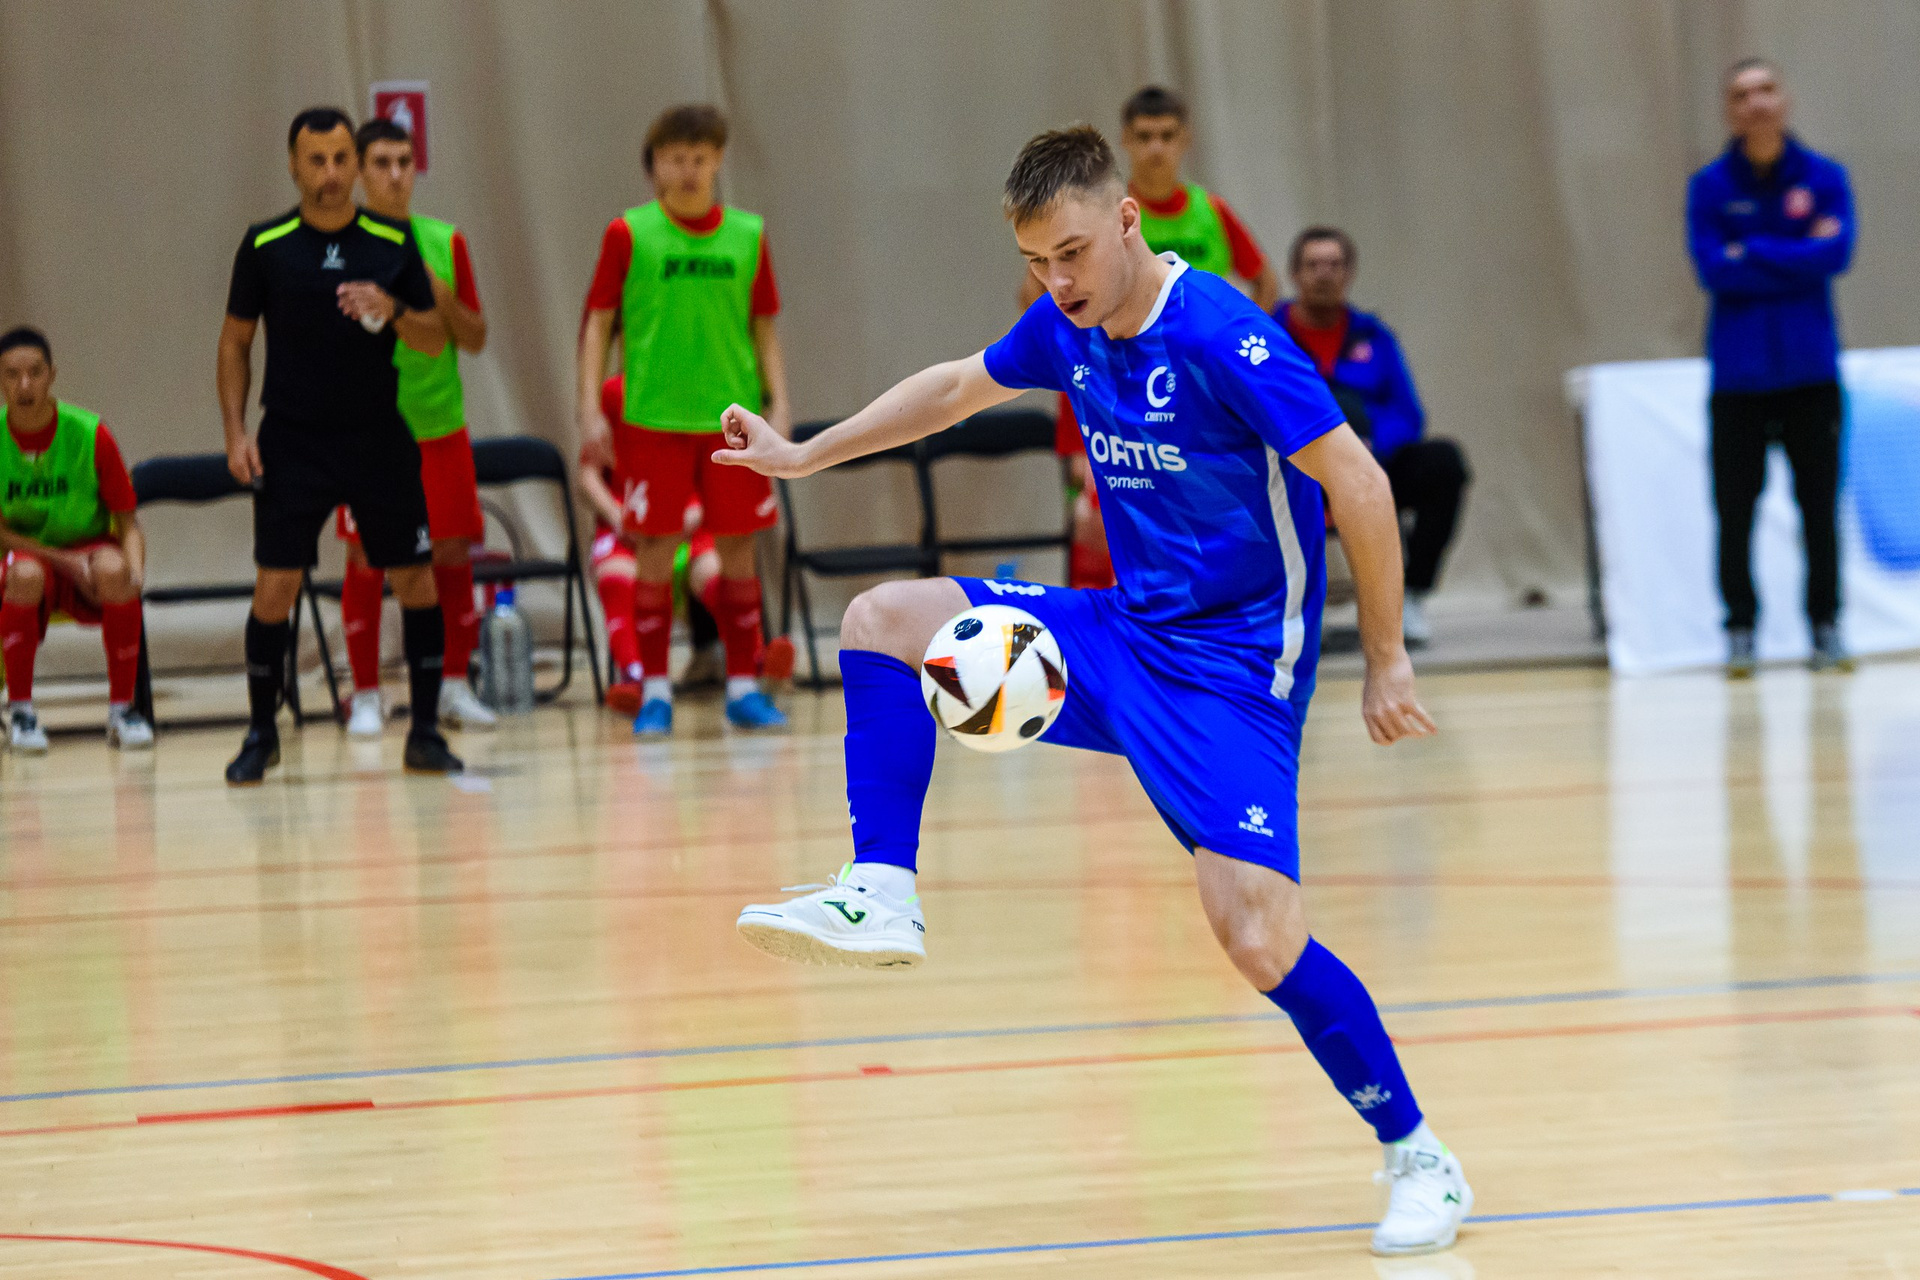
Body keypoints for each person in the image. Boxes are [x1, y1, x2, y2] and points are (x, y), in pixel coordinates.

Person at [719, 126, 1470, 1257]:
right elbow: (954, 388)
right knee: (880, 621)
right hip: (1121, 630)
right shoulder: (1066, 323)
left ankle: (1419, 1155)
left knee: (1258, 935)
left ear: (1127, 221)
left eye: (1071, 254)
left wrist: (1387, 654)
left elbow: (1358, 483)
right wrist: (801, 455)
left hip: (1232, 670)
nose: (1058, 282)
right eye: (1037, 262)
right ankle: (882, 887)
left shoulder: (1222, 335)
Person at [217, 106, 462, 784]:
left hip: (377, 437)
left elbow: (434, 338)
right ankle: (261, 733)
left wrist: (394, 310)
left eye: (340, 160)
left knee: (415, 578)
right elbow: (235, 342)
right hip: (292, 441)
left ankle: (425, 732)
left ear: (355, 166)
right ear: (293, 166)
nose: (329, 174)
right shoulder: (266, 244)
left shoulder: (391, 240)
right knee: (276, 585)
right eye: (316, 161)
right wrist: (235, 433)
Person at [576, 103, 792, 737]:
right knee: (654, 550)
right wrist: (589, 408)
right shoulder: (629, 233)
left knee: (738, 549)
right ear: (655, 165)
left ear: (719, 160)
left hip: (731, 420)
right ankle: (654, 692)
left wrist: (780, 402)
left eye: (701, 157)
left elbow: (764, 327)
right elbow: (598, 325)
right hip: (652, 419)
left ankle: (744, 687)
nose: (690, 169)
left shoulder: (748, 234)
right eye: (677, 158)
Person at [1038, 85, 1281, 592]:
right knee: (1096, 521)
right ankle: (1098, 626)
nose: (1156, 148)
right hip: (1109, 385)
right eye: (1145, 136)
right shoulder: (1098, 212)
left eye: (1167, 136)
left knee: (1194, 516)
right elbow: (1034, 294)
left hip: (1190, 390)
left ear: (1185, 139)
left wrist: (1235, 354)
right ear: (1126, 139)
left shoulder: (1210, 211)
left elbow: (1266, 282)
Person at [1687, 57, 1855, 677]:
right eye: (1741, 94)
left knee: (1819, 508)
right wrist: (1795, 251)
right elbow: (1714, 270)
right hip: (1739, 379)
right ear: (1730, 112)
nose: (1755, 102)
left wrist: (1752, 248)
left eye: (1765, 90)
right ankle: (1740, 629)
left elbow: (1835, 253)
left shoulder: (1825, 177)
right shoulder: (1709, 188)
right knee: (1735, 511)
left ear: (1784, 101)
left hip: (1811, 372)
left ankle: (1826, 626)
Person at [335, 117, 497, 736]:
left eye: (405, 162)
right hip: (367, 431)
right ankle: (366, 694)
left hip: (440, 427)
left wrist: (436, 294)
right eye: (381, 163)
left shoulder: (445, 241)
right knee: (366, 557)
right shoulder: (339, 246)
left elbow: (475, 337)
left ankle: (453, 685)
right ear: (358, 171)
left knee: (450, 553)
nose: (396, 175)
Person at [1277, 227, 1469, 646]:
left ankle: (1410, 597)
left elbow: (1408, 414)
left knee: (1444, 463)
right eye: (1313, 265)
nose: (1323, 274)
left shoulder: (1375, 337)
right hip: (1295, 469)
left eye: (1334, 265)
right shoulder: (1266, 334)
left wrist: (1365, 445)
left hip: (1370, 466)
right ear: (1295, 273)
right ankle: (1280, 610)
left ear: (1349, 274)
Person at [0, 327, 153, 753]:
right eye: (12, 375)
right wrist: (61, 561)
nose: (24, 385)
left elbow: (128, 523)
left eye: (35, 373)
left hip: (89, 552)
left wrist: (135, 575)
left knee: (117, 570)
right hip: (23, 558)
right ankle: (21, 713)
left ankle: (123, 711)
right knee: (26, 574)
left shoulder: (90, 433)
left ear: (52, 375)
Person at [580, 372, 727, 715]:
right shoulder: (614, 393)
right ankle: (635, 676)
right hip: (628, 526)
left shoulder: (695, 388)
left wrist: (693, 513)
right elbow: (587, 473)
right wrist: (618, 516)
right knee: (617, 576)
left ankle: (753, 658)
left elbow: (713, 469)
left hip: (687, 523)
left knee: (715, 570)